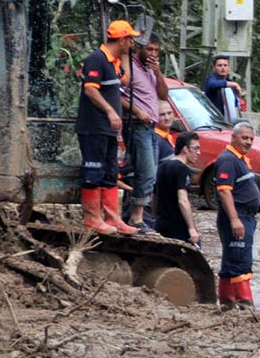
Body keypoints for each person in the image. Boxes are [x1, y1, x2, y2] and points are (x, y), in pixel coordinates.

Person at [76, 20, 140, 236]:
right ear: (122, 40)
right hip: (94, 126)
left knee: (111, 172)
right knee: (93, 170)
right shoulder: (96, 59)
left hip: (109, 129)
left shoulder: (113, 61)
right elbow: (90, 90)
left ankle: (113, 218)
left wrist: (126, 55)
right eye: (130, 40)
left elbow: (126, 80)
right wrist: (111, 111)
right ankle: (91, 218)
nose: (132, 44)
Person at [122, 32, 168, 231]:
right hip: (136, 124)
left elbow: (164, 95)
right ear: (139, 47)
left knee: (150, 172)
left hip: (151, 127)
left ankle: (135, 214)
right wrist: (137, 111)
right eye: (150, 49)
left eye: (156, 50)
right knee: (146, 171)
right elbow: (117, 94)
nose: (153, 54)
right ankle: (136, 217)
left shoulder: (150, 70)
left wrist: (158, 72)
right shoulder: (129, 67)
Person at [214, 122, 260, 310]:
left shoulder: (240, 159)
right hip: (237, 216)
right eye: (244, 138)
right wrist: (234, 219)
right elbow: (224, 191)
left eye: (251, 139)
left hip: (245, 216)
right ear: (233, 138)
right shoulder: (228, 160)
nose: (248, 142)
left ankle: (226, 302)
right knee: (240, 259)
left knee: (230, 260)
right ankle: (245, 303)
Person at [154, 131, 201, 246]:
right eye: (196, 148)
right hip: (178, 226)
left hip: (162, 224)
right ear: (185, 149)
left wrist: (156, 218)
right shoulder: (182, 169)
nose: (199, 152)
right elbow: (183, 200)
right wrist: (192, 228)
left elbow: (154, 197)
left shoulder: (162, 167)